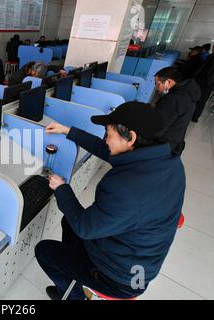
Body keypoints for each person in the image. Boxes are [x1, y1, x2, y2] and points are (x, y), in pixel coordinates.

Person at [35, 102, 185, 300]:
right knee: (67, 221)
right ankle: (75, 276)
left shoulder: (127, 189)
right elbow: (106, 150)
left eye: (108, 133)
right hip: (138, 261)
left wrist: (62, 189)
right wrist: (68, 131)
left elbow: (84, 227)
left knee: (44, 250)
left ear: (130, 138)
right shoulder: (166, 161)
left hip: (121, 278)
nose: (105, 138)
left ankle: (74, 295)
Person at [154, 67, 200, 155]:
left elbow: (159, 126)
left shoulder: (173, 99)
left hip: (163, 144)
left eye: (158, 84)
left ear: (169, 82)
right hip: (175, 141)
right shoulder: (187, 93)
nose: (156, 88)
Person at [193, 47, 214, 122]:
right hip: (200, 79)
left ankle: (195, 116)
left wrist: (210, 83)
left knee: (202, 100)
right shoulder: (210, 56)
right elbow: (203, 67)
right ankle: (191, 112)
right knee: (194, 96)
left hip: (208, 83)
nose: (213, 48)